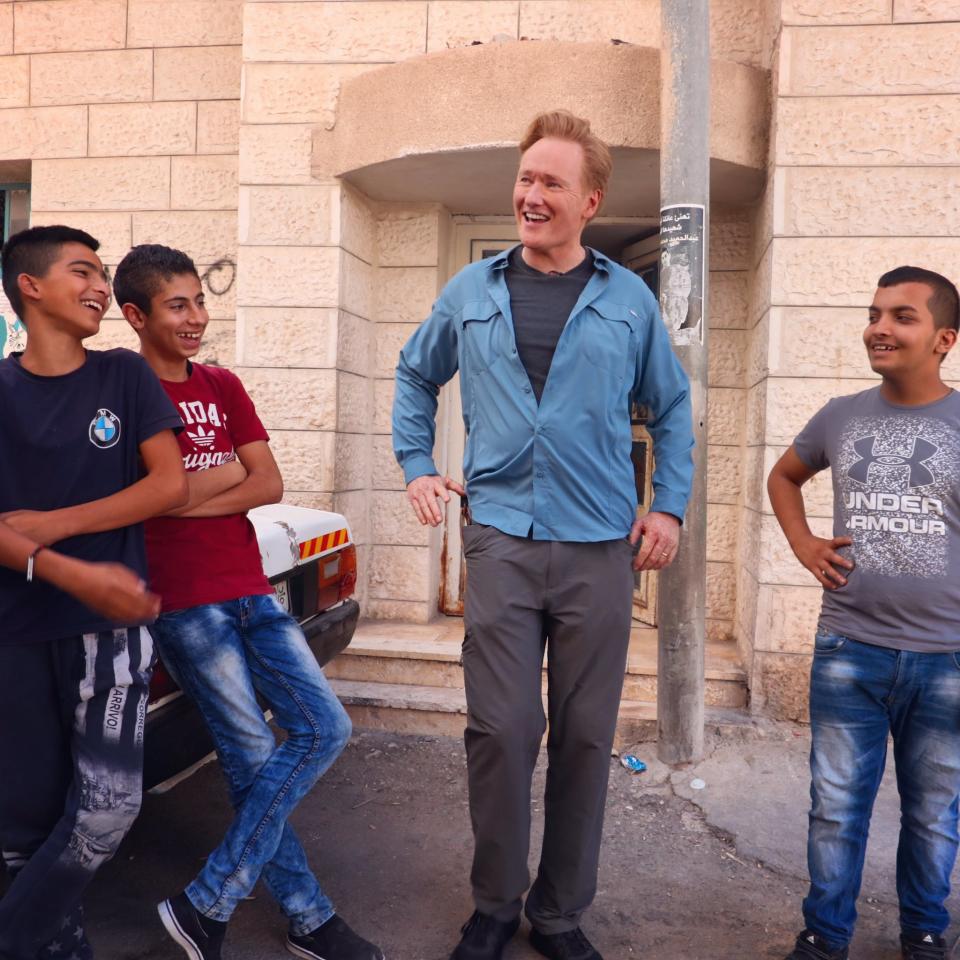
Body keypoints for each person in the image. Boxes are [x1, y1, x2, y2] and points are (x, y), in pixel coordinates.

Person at [392, 110, 694, 960]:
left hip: (601, 546)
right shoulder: (472, 290)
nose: (530, 194)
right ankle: (495, 904)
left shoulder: (627, 299)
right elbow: (416, 376)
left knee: (587, 735)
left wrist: (667, 506)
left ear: (588, 200)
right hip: (500, 542)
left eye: (550, 183)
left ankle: (559, 915)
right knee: (500, 729)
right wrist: (418, 464)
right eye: (525, 179)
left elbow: (671, 411)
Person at [115, 244, 383, 960]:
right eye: (179, 305)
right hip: (183, 604)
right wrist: (199, 482)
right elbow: (138, 500)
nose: (198, 317)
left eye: (200, 300)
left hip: (248, 588)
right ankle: (310, 920)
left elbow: (265, 482)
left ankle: (208, 903)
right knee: (248, 754)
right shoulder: (122, 393)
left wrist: (174, 494)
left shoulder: (220, 384)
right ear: (135, 315)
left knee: (323, 728)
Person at [0, 225, 188, 960]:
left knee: (107, 810)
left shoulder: (122, 376)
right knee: (25, 824)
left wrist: (50, 526)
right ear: (30, 286)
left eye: (103, 274)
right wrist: (73, 569)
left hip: (107, 634)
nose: (102, 286)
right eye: (84, 271)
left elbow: (167, 483)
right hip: (16, 630)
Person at [768, 266, 960, 960]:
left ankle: (926, 931)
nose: (880, 327)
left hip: (948, 658)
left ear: (945, 338)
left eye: (903, 316)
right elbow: (784, 475)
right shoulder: (841, 416)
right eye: (876, 313)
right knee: (836, 808)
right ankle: (825, 935)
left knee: (936, 813)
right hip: (850, 649)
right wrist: (802, 541)